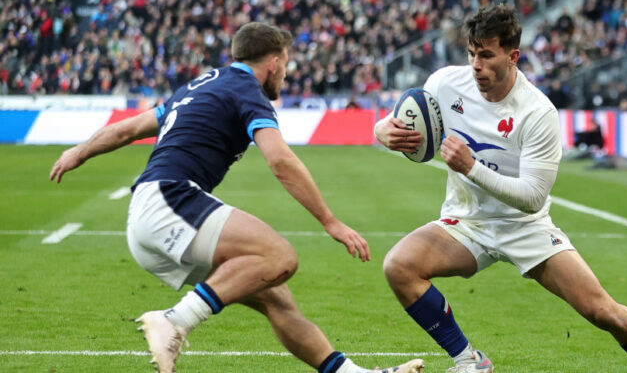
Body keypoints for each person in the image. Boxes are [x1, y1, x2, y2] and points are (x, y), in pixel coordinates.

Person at [50, 23, 424, 373]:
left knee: (276, 298)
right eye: (286, 66)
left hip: (151, 215)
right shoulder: (248, 90)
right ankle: (173, 320)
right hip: (170, 199)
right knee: (279, 256)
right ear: (274, 62)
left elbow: (128, 129)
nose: (286, 75)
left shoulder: (200, 85)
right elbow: (280, 160)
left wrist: (77, 152)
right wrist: (331, 221)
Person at [374, 4, 627, 373]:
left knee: (603, 312)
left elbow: (532, 197)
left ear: (513, 56)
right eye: (472, 54)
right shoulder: (445, 83)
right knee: (399, 267)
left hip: (525, 227)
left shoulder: (538, 113)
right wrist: (384, 133)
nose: (476, 65)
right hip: (467, 222)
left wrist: (470, 167)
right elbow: (392, 123)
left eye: (487, 55)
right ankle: (469, 361)